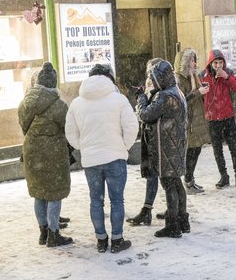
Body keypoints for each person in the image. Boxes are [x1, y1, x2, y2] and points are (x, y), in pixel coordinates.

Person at [65, 62, 139, 253]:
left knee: (96, 201)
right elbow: (132, 127)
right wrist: (123, 146)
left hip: (91, 160)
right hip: (115, 158)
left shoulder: (76, 103)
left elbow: (70, 133)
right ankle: (117, 240)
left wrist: (84, 148)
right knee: (117, 200)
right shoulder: (119, 99)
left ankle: (100, 240)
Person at [18, 62, 73, 248]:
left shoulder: (25, 102)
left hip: (31, 151)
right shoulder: (57, 105)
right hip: (53, 153)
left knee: (39, 193)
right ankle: (53, 233)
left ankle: (43, 232)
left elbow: (24, 126)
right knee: (54, 193)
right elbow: (68, 127)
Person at [136, 60, 189, 238]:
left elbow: (145, 114)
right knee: (176, 182)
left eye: (154, 78)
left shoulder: (165, 96)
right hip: (176, 145)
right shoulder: (177, 92)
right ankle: (183, 220)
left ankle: (173, 224)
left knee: (168, 184)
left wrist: (141, 97)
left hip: (166, 146)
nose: (153, 82)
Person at [126, 59, 163, 227]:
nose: (149, 77)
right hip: (154, 138)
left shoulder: (162, 92)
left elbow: (146, 114)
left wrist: (141, 97)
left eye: (151, 73)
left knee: (165, 176)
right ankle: (149, 210)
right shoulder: (159, 90)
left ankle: (173, 210)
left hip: (159, 139)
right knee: (155, 175)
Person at [201, 50, 236, 189]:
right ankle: (224, 176)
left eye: (220, 63)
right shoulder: (203, 76)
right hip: (213, 118)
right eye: (215, 63)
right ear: (210, 63)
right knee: (217, 149)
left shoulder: (229, 73)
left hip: (227, 117)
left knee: (234, 148)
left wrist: (227, 77)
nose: (218, 65)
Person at [176, 49, 212, 194]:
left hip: (197, 121)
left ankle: (191, 180)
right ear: (185, 62)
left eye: (194, 60)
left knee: (195, 151)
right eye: (191, 60)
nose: (194, 63)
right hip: (189, 123)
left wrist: (201, 89)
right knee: (191, 152)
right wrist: (199, 92)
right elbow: (181, 100)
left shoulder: (193, 76)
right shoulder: (179, 79)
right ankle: (188, 181)